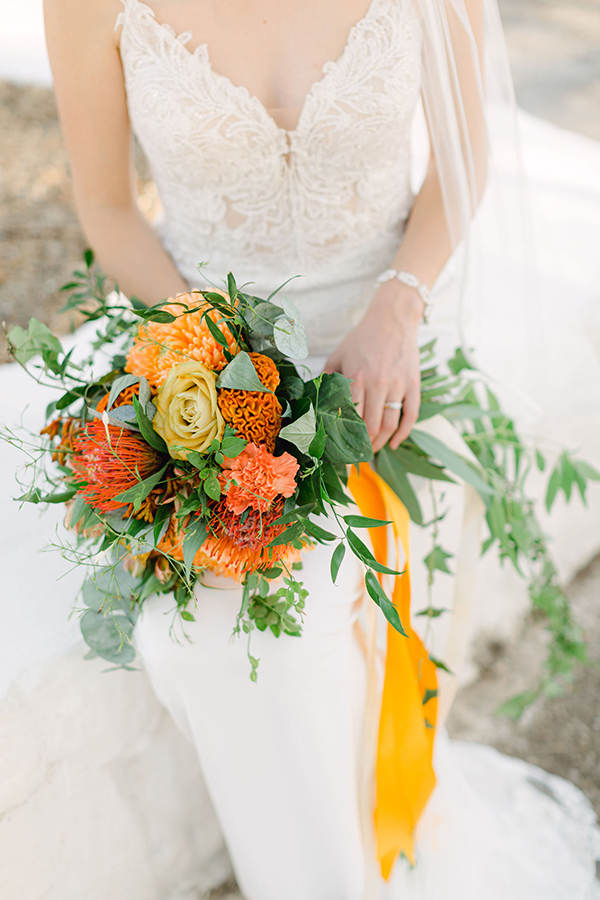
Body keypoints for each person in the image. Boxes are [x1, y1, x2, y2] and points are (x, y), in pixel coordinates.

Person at [36, 0, 600, 897]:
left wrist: (399, 304)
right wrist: (213, 373)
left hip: (387, 366)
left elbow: (463, 156)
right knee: (223, 643)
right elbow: (106, 207)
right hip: (202, 370)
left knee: (349, 639)